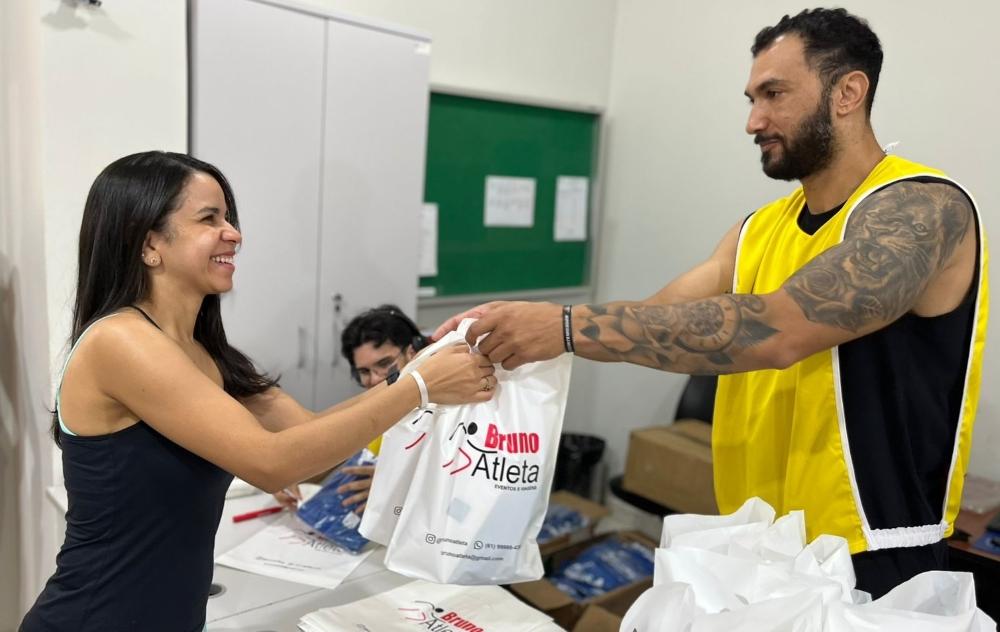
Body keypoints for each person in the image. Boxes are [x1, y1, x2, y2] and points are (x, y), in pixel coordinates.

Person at [434, 8, 987, 598]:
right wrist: (508, 329)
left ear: (848, 91)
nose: (754, 120)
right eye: (751, 98)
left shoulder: (925, 209)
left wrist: (564, 325)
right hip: (755, 540)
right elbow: (651, 320)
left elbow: (779, 329)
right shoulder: (756, 230)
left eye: (774, 94)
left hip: (872, 556)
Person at [20, 151, 496, 632]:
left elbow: (312, 438)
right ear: (149, 244)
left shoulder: (205, 352)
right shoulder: (119, 341)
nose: (234, 234)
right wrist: (418, 387)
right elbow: (273, 462)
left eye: (229, 218)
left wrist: (417, 372)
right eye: (210, 219)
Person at [274, 304, 428, 514]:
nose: (374, 379)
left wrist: (399, 484)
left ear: (414, 352)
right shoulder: (377, 413)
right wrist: (292, 478)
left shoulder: (448, 412)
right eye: (364, 371)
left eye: (385, 363)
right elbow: (335, 455)